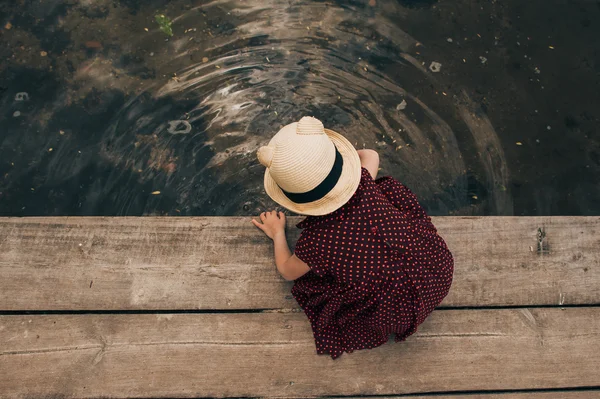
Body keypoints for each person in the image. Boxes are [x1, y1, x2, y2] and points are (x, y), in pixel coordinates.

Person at [251, 116, 454, 359]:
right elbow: (370, 154)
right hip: (435, 272)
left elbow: (287, 270)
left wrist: (277, 233)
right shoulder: (365, 183)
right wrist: (339, 165)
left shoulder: (317, 242)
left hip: (394, 313)